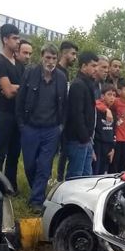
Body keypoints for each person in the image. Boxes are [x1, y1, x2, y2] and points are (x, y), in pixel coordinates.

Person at [16, 44, 67, 213]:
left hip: (51, 129)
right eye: (47, 57)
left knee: (44, 166)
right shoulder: (30, 73)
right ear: (41, 57)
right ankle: (36, 189)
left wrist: (61, 126)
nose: (50, 62)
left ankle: (37, 200)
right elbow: (20, 99)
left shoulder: (61, 77)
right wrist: (21, 124)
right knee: (30, 164)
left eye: (54, 58)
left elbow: (64, 104)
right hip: (30, 127)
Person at [0, 23, 22, 192]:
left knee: (14, 153)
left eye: (18, 38)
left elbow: (17, 87)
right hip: (4, 114)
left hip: (18, 115)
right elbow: (8, 91)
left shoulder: (18, 63)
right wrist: (18, 88)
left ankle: (10, 186)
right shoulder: (0, 62)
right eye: (14, 38)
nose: (18, 42)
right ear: (5, 39)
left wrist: (15, 87)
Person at [64, 51, 99, 179]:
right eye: (93, 66)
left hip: (86, 139)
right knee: (75, 176)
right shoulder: (78, 85)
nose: (96, 69)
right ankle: (68, 199)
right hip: (78, 139)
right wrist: (84, 137)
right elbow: (77, 114)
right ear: (84, 66)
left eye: (97, 66)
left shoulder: (88, 84)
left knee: (86, 177)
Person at [55, 40, 79, 182]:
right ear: (64, 53)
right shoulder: (56, 71)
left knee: (64, 151)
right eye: (73, 54)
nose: (75, 57)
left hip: (65, 120)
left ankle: (59, 179)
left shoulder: (66, 73)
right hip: (54, 120)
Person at [93, 84, 117, 175]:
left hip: (108, 147)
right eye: (109, 95)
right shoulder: (97, 111)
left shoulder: (114, 114)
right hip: (98, 145)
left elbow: (114, 132)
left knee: (103, 173)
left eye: (114, 95)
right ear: (102, 96)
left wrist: (113, 148)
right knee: (94, 171)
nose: (112, 98)